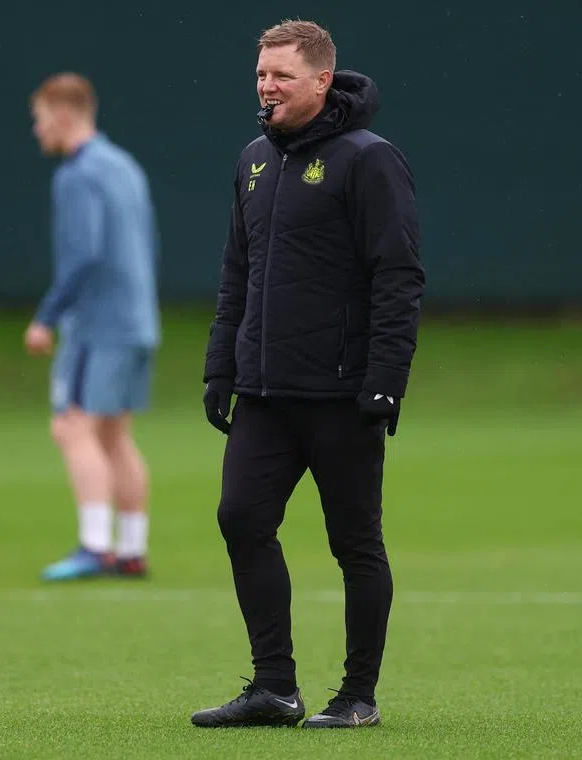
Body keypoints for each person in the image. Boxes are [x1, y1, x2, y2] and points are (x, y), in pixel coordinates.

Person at [190, 21, 424, 729]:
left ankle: (357, 697)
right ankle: (274, 688)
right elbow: (237, 272)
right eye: (261, 75)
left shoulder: (369, 159)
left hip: (342, 393)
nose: (267, 87)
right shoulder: (254, 160)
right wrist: (220, 365)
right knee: (241, 518)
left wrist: (386, 379)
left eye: (282, 76)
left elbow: (398, 275)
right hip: (264, 390)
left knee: (354, 542)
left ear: (322, 81)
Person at [24, 74, 161, 581]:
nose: (38, 130)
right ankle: (131, 549)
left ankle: (95, 546)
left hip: (100, 325)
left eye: (40, 119)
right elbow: (147, 244)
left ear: (62, 115)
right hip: (139, 319)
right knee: (114, 436)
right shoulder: (124, 165)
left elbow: (83, 253)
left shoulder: (77, 174)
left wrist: (46, 316)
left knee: (72, 427)